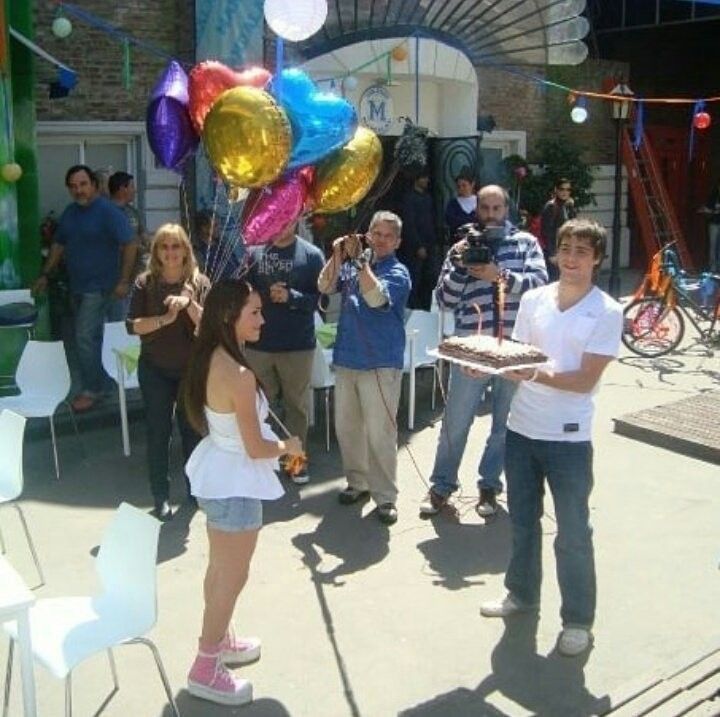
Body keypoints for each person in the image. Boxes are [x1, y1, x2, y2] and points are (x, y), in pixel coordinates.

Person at [479, 218, 623, 658]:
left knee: (573, 533)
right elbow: (516, 355)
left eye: (583, 250)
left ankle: (578, 620)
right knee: (523, 524)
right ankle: (521, 595)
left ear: (597, 258)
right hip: (521, 431)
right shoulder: (535, 299)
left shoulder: (607, 311)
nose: (572, 258)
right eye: (566, 249)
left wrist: (533, 373)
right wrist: (484, 364)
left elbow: (583, 380)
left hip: (569, 441)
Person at [182, 279, 303, 706]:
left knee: (220, 572)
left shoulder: (212, 354)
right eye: (254, 311)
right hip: (234, 481)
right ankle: (205, 665)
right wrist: (288, 447)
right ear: (230, 317)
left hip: (220, 474)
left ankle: (220, 639)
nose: (262, 318)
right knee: (231, 577)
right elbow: (255, 448)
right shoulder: (238, 373)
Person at [419, 185, 547, 518]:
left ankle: (489, 485)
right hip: (471, 347)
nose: (490, 214)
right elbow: (445, 299)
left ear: (507, 209)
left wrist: (498, 275)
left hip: (513, 348)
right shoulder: (462, 247)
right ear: (477, 209)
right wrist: (463, 268)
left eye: (496, 208)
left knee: (504, 424)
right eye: (484, 208)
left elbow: (541, 286)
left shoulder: (525, 243)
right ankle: (441, 486)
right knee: (456, 421)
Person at [317, 211, 411, 525]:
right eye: (376, 233)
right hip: (347, 359)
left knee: (381, 434)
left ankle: (385, 497)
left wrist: (360, 264)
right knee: (347, 428)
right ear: (368, 235)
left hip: (381, 363)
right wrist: (336, 253)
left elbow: (375, 299)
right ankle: (358, 483)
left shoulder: (398, 272)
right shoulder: (352, 265)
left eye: (388, 235)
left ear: (397, 241)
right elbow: (324, 285)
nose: (381, 240)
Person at [33, 164, 136, 412]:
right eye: (73, 186)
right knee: (96, 338)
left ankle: (93, 389)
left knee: (85, 338)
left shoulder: (108, 211)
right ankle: (108, 386)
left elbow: (130, 243)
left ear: (94, 185)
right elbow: (59, 245)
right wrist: (45, 274)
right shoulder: (70, 213)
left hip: (102, 288)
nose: (78, 190)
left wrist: (123, 280)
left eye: (83, 184)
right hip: (78, 286)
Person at [126, 224, 210, 520]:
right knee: (158, 433)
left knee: (193, 433)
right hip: (155, 369)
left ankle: (194, 489)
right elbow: (133, 326)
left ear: (185, 250)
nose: (170, 253)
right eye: (165, 247)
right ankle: (160, 496)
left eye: (176, 247)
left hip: (190, 371)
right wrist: (166, 318)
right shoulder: (145, 282)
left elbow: (208, 328)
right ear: (156, 252)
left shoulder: (199, 282)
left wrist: (188, 304)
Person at [244, 222, 325, 485]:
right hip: (259, 345)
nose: (283, 224)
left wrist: (292, 297)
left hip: (297, 345)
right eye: (279, 217)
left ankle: (295, 463)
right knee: (257, 407)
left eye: (289, 218)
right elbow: (242, 295)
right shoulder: (254, 253)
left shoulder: (311, 255)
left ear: (296, 220)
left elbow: (320, 302)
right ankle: (261, 461)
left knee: (295, 407)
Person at [109, 171, 151, 314]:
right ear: (122, 188)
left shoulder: (133, 212)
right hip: (115, 278)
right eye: (132, 186)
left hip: (136, 276)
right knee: (117, 320)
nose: (135, 190)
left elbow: (144, 236)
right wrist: (136, 244)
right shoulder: (107, 212)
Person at [400, 168, 439, 310]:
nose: (426, 181)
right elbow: (409, 224)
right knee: (414, 280)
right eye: (423, 178)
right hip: (414, 248)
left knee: (429, 279)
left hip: (430, 245)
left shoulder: (427, 198)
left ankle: (426, 307)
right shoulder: (409, 198)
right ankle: (412, 309)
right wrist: (418, 245)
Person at [540, 178, 577, 281]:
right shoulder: (551, 206)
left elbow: (574, 224)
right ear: (556, 190)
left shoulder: (568, 205)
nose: (565, 192)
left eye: (568, 189)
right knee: (554, 280)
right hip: (554, 250)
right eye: (562, 189)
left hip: (566, 247)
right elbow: (547, 231)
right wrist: (552, 253)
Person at [444, 168, 477, 236]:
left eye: (464, 185)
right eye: (459, 186)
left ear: (472, 184)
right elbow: (452, 221)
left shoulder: (480, 202)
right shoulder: (453, 204)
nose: (461, 189)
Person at [699, 180, 720, 272]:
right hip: (714, 223)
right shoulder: (715, 193)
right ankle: (713, 269)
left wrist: (712, 211)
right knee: (713, 246)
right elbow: (709, 206)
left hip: (715, 222)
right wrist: (706, 210)